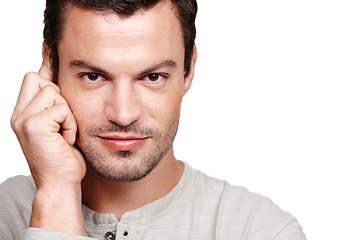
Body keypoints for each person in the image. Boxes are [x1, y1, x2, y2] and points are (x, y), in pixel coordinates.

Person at [0, 0, 306, 239]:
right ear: (51, 67)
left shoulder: (260, 231)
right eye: (93, 76)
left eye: (153, 76)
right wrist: (57, 193)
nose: (123, 114)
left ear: (188, 70)